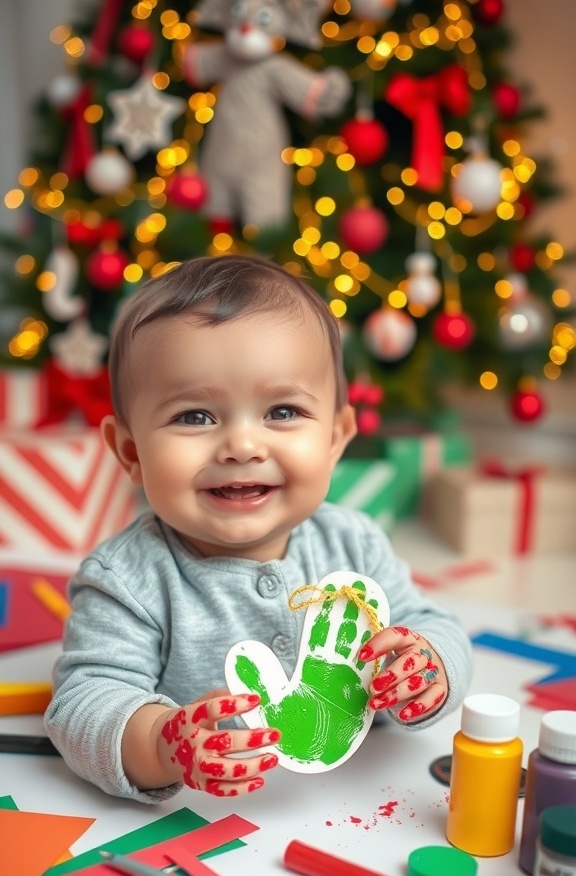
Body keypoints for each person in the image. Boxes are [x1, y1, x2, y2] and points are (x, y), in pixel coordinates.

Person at [45, 255, 472, 802]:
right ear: (130, 452)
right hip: (207, 822)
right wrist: (160, 746)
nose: (244, 446)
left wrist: (429, 667)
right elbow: (84, 702)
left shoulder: (354, 544)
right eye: (195, 416)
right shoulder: (126, 578)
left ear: (337, 436)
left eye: (283, 411)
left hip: (363, 798)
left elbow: (434, 625)